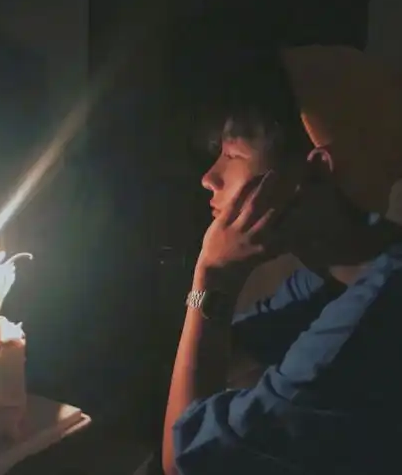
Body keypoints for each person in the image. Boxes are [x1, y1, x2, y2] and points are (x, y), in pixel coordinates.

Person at [161, 45, 402, 475]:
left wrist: (212, 278)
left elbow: (183, 461)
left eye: (233, 155)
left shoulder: (370, 319)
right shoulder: (336, 272)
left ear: (316, 172)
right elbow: (230, 349)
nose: (209, 177)